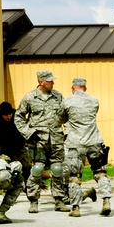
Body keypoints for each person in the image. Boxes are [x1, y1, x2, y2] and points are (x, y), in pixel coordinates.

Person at [15, 70, 67, 213]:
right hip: (38, 140)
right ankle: (33, 200)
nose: (53, 83)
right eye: (50, 80)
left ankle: (59, 199)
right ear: (41, 82)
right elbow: (18, 117)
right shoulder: (30, 97)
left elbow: (65, 115)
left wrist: (66, 132)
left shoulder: (58, 96)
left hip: (56, 138)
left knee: (57, 169)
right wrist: (29, 133)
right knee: (37, 169)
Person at [61, 78, 112, 217]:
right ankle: (106, 201)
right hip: (93, 141)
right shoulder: (94, 101)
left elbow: (61, 118)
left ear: (72, 87)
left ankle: (76, 208)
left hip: (75, 143)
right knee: (100, 172)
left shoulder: (67, 102)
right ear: (85, 88)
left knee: (74, 177)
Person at [0, 101, 31, 182]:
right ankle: (8, 186)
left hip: (18, 146)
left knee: (27, 166)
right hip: (1, 148)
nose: (9, 117)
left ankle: (28, 186)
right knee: (4, 169)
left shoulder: (17, 116)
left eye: (10, 114)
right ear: (1, 114)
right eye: (6, 115)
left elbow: (27, 129)